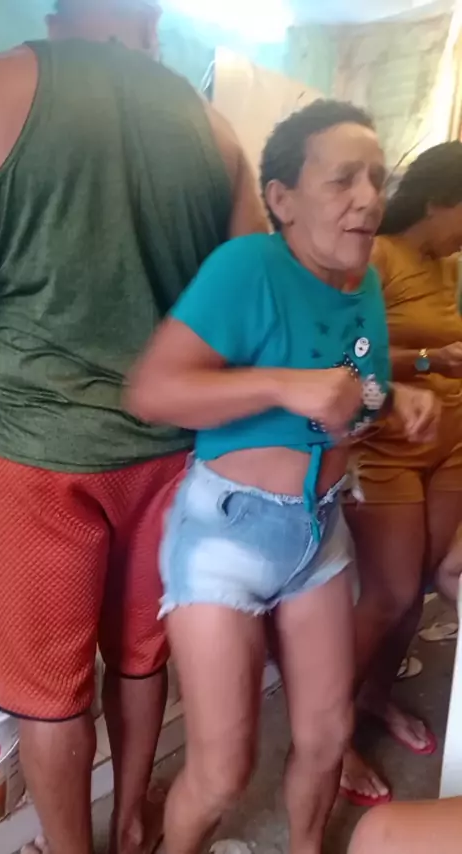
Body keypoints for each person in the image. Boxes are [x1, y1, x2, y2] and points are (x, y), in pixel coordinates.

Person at [0, 2, 267, 853]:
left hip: (44, 456)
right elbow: (248, 304)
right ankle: (135, 822)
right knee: (142, 656)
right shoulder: (215, 130)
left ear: (59, 17)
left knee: (48, 691)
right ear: (149, 26)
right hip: (170, 459)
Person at [129, 100, 440, 854]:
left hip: (319, 533)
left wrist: (392, 399)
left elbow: (354, 388)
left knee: (328, 736)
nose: (368, 198)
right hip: (226, 536)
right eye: (342, 179)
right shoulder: (248, 268)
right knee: (222, 772)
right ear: (283, 198)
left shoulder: (361, 278)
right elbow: (152, 391)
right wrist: (281, 385)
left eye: (377, 178)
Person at [341, 142, 462, 806]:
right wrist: (428, 362)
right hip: (388, 449)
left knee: (414, 590)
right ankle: (326, 736)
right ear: (439, 201)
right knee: (386, 596)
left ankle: (375, 697)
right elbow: (348, 358)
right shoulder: (375, 257)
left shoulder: (445, 265)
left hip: (450, 444)